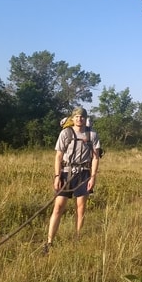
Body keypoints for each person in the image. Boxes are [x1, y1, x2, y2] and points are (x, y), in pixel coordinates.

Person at [44, 107, 101, 253]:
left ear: (85, 119)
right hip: (66, 173)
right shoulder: (65, 133)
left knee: (81, 209)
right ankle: (49, 242)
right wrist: (57, 176)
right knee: (58, 207)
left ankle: (77, 239)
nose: (79, 119)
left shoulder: (92, 135)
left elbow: (95, 157)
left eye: (81, 117)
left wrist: (93, 177)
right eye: (76, 116)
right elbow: (58, 156)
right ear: (72, 118)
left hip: (84, 174)